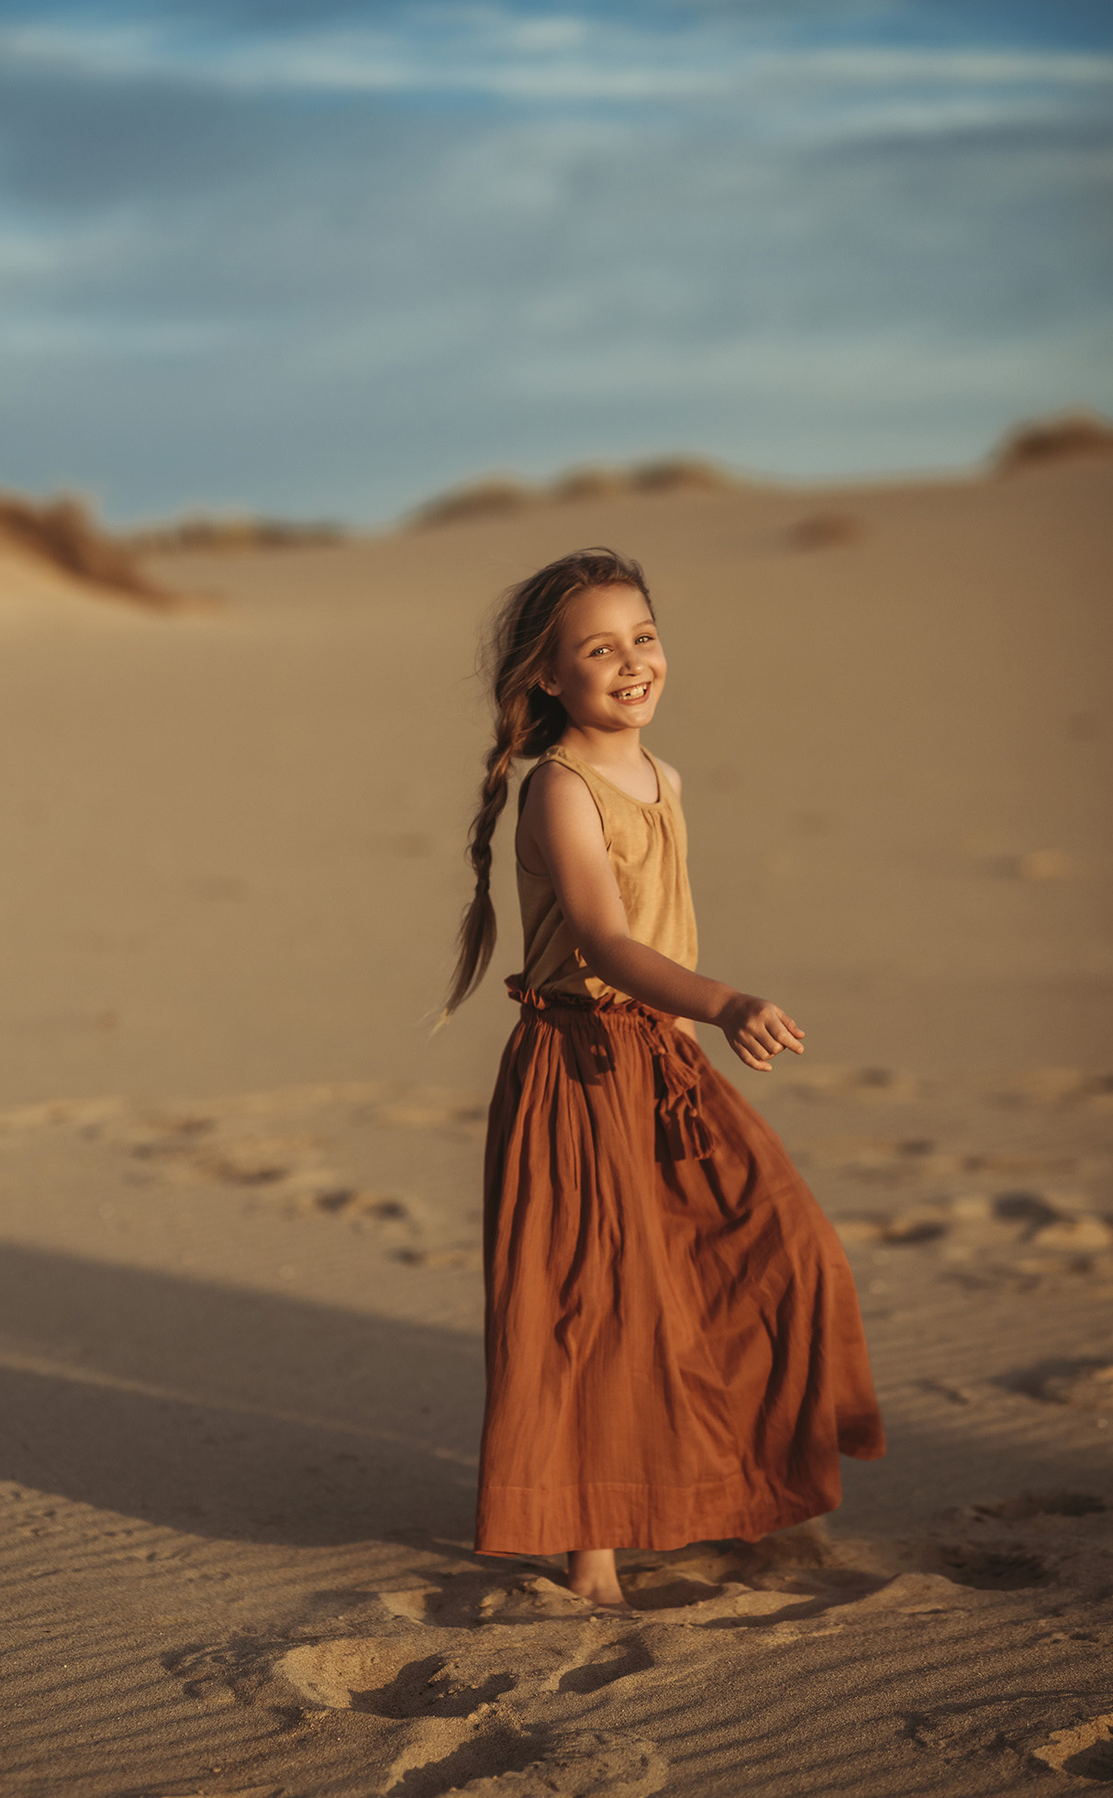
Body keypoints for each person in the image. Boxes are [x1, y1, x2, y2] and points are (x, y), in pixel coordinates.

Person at [443, 547, 885, 1608]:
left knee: (777, 1243)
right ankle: (589, 1553)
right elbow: (601, 938)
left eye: (643, 636)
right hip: (579, 1063)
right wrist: (723, 1000)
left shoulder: (663, 774)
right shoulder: (561, 789)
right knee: (595, 1301)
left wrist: (693, 1022)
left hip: (660, 1057)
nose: (632, 662)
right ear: (549, 676)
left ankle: (733, 1482)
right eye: (600, 648)